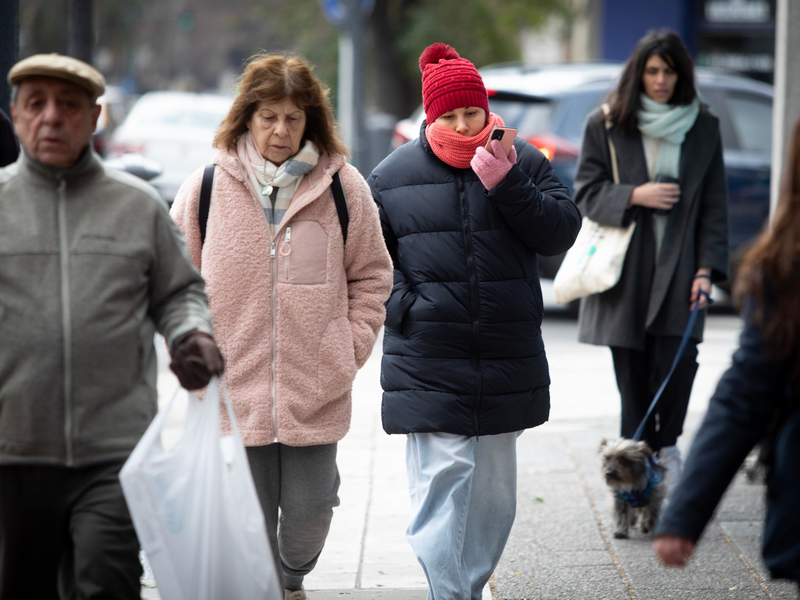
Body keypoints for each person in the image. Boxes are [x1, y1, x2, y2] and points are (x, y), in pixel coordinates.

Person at [0, 54, 224, 599]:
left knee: (107, 582)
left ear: (96, 116)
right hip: (11, 454)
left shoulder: (138, 206)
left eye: (69, 105)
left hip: (115, 455)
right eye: (36, 104)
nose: (52, 118)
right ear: (16, 114)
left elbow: (180, 292)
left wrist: (191, 333)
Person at [170, 52, 392, 600]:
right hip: (232, 390)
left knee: (310, 512)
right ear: (247, 116)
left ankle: (293, 577)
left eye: (293, 118)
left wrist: (350, 346)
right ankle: (271, 589)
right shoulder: (205, 189)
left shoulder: (343, 188)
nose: (280, 130)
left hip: (315, 388)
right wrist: (193, 346)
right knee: (249, 525)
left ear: (310, 121)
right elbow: (174, 282)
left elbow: (372, 276)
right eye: (269, 115)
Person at [368, 43, 581, 600]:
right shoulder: (389, 178)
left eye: (473, 113)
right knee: (440, 488)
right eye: (450, 115)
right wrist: (411, 308)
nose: (464, 126)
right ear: (430, 117)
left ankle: (468, 585)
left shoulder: (525, 161)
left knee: (492, 500)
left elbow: (560, 231)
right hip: (429, 357)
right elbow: (366, 263)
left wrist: (507, 184)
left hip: (506, 354)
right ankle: (451, 593)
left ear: (487, 110)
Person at [573, 29, 729, 481]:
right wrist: (636, 194)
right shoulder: (606, 123)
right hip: (629, 268)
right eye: (652, 70)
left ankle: (668, 447)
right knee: (633, 373)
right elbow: (586, 192)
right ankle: (635, 473)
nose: (661, 80)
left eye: (670, 70)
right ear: (638, 73)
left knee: (680, 363)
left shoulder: (703, 126)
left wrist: (706, 270)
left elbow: (715, 205)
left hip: (682, 267)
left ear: (682, 74)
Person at [653, 115, 800, 589]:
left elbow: (744, 398)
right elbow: (745, 396)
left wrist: (684, 514)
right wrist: (684, 512)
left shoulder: (782, 268)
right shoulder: (784, 272)